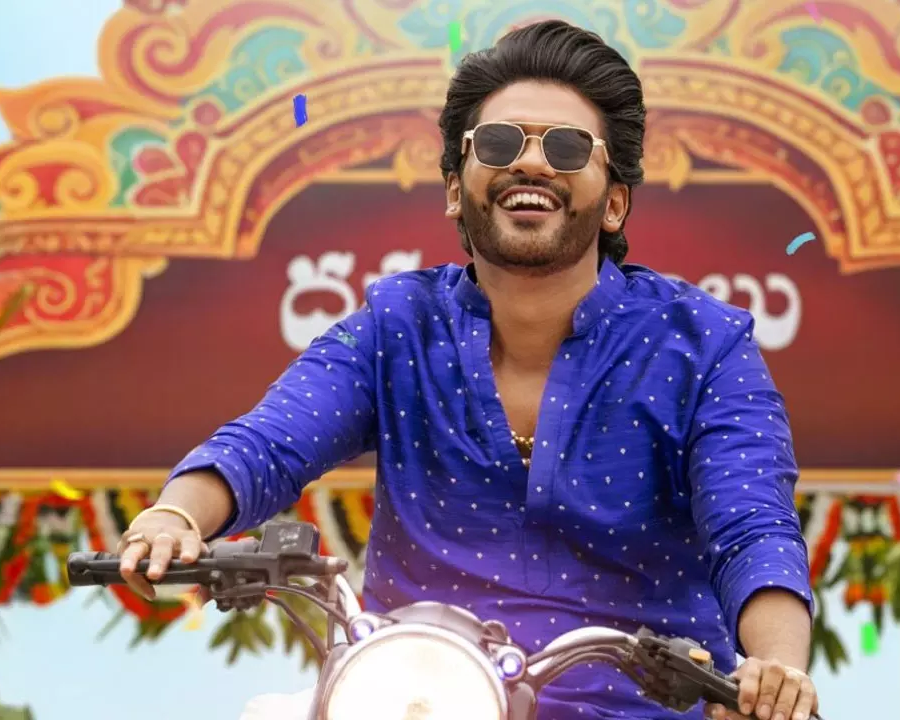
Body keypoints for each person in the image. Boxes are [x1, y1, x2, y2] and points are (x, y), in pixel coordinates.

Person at [117, 19, 819, 720]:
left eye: (568, 148)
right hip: (411, 698)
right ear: (457, 189)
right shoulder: (397, 325)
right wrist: (175, 515)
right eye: (500, 143)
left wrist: (776, 670)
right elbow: (268, 443)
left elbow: (752, 529)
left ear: (613, 203)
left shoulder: (704, 345)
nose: (532, 164)